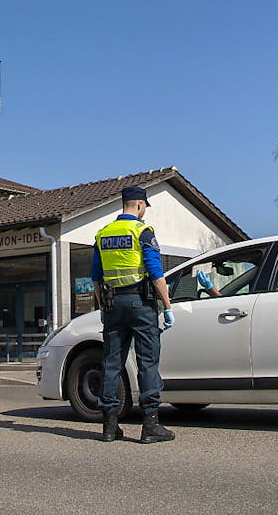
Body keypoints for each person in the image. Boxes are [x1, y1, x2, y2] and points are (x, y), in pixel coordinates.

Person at [91, 186, 176, 444]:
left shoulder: (103, 234)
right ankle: (150, 425)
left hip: (112, 305)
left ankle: (109, 426)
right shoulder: (142, 231)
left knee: (111, 363)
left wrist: (102, 306)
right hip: (140, 304)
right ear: (140, 205)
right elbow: (156, 273)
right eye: (144, 207)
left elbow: (96, 278)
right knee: (147, 362)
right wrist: (168, 306)